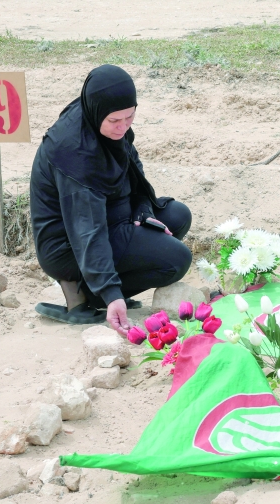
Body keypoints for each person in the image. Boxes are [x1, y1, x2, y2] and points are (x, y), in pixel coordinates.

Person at [30, 65, 193, 336]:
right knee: (177, 260)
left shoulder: (103, 119)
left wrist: (142, 211)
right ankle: (89, 294)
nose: (123, 126)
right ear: (97, 112)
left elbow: (133, 169)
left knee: (177, 216)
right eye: (115, 121)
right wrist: (111, 293)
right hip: (67, 245)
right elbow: (87, 230)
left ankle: (96, 286)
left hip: (110, 215)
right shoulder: (75, 152)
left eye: (130, 117)